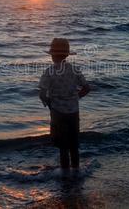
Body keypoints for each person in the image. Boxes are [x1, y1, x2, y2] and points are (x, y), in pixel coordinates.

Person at [38, 38, 90, 170]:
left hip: (57, 112)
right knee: (74, 145)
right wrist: (76, 98)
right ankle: (76, 171)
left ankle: (65, 174)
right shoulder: (75, 70)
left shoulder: (49, 71)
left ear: (52, 56)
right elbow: (87, 88)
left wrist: (48, 103)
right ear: (67, 55)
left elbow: (42, 93)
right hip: (73, 111)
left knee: (62, 146)